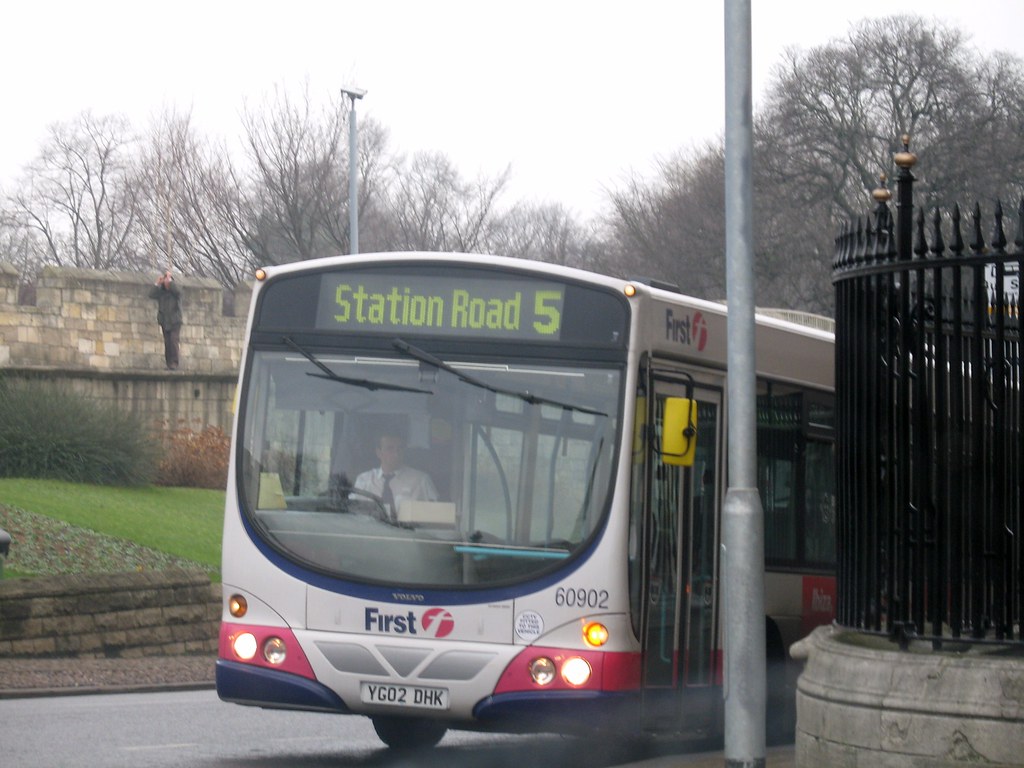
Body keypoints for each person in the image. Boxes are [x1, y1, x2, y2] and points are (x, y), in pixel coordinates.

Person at [353, 432, 438, 518]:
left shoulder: (421, 480)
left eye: (399, 449)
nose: (396, 454)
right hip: (368, 531)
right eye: (390, 449)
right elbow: (353, 513)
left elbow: (437, 516)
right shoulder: (364, 480)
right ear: (379, 452)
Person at [149, 269, 182, 370]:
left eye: (168, 282)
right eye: (165, 281)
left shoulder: (175, 293)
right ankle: (169, 364)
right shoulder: (161, 293)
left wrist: (170, 280)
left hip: (175, 321)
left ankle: (174, 363)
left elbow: (178, 292)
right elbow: (151, 294)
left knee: (173, 341)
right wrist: (157, 283)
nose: (166, 283)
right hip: (165, 321)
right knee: (167, 343)